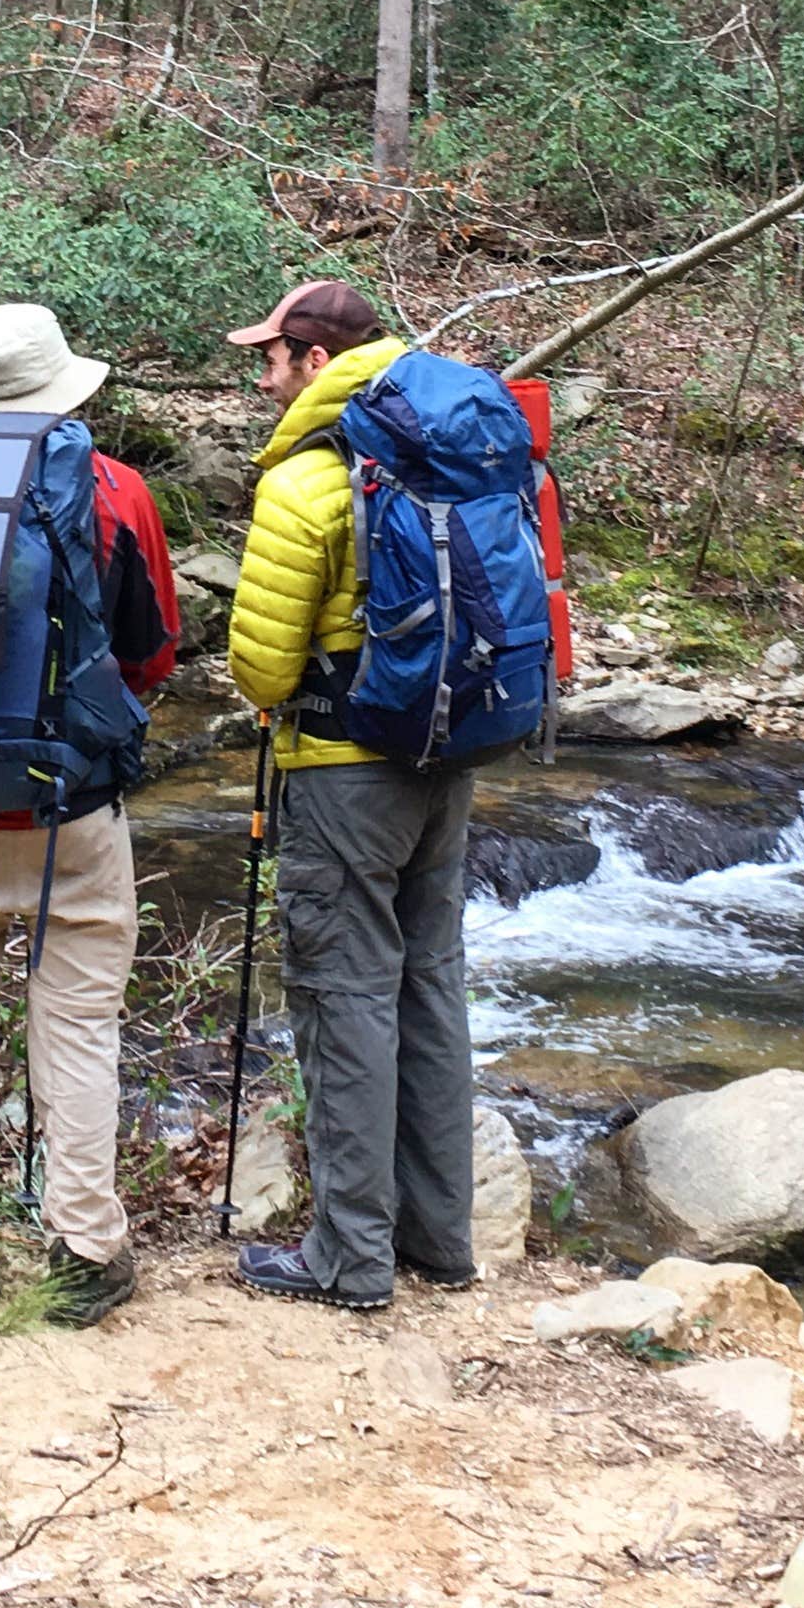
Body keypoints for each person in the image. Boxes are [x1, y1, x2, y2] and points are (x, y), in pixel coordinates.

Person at [0, 302, 179, 1327]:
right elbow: (151, 652)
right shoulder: (112, 491)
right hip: (73, 811)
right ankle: (84, 1251)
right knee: (79, 1028)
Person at [221, 279, 480, 1309]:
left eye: (273, 357)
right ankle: (439, 1239)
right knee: (430, 988)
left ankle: (348, 1258)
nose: (262, 375)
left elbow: (264, 670)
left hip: (342, 776)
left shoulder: (309, 479)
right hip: (448, 761)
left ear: (317, 364)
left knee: (345, 1000)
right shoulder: (448, 444)